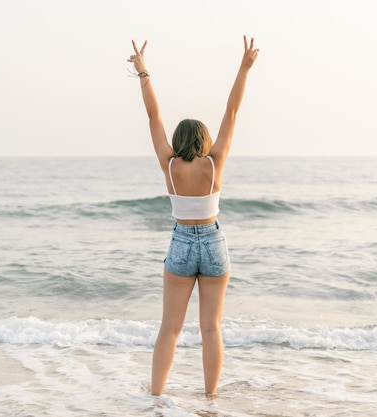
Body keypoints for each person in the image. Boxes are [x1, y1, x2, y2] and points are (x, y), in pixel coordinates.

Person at [127, 36, 259, 397]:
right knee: (211, 329)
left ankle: (156, 396)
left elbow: (153, 115)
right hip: (214, 242)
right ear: (203, 140)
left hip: (182, 243)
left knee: (169, 328)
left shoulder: (169, 166)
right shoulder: (214, 164)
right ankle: (211, 398)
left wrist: (144, 72)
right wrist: (244, 67)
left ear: (178, 139)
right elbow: (232, 113)